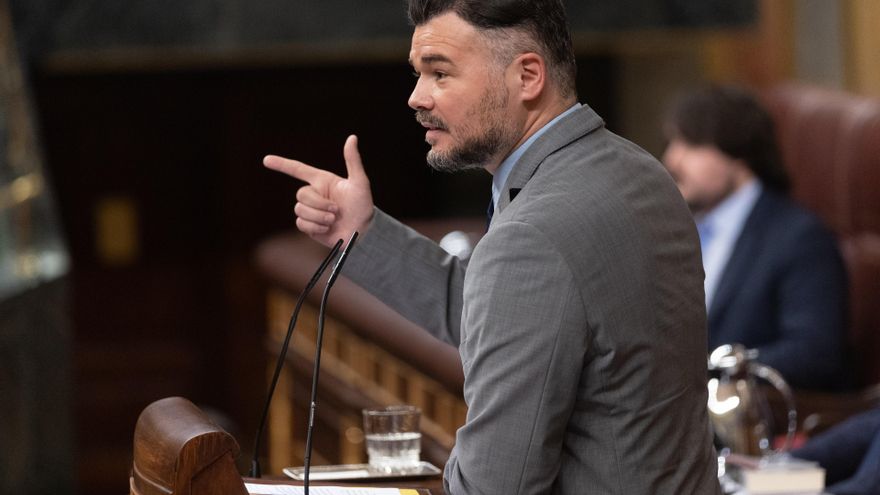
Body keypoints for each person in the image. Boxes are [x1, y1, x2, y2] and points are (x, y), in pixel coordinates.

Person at [265, 1, 721, 493]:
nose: (416, 97)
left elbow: (497, 484)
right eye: (418, 74)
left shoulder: (534, 233)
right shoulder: (638, 171)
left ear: (527, 76)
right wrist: (362, 232)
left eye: (440, 73)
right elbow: (518, 315)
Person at [661, 84, 849, 391]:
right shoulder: (674, 227)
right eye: (672, 142)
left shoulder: (799, 237)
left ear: (739, 153)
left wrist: (711, 370)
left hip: (751, 420)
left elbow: (814, 353)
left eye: (692, 144)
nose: (672, 160)